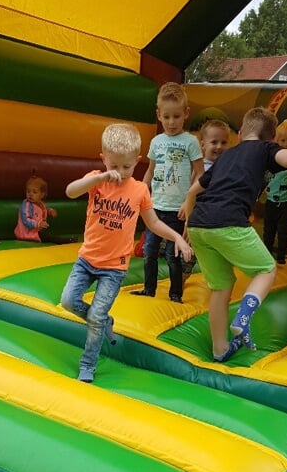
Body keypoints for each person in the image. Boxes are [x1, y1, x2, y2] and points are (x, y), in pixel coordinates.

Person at [182, 108, 287, 362]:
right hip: (228, 219)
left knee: (221, 286)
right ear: (270, 138)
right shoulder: (264, 149)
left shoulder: (225, 157)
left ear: (239, 134)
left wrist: (189, 226)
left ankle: (219, 349)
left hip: (199, 224)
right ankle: (244, 316)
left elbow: (193, 190)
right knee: (267, 269)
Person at [61, 123, 193, 382]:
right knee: (67, 300)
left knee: (96, 316)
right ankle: (102, 322)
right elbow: (70, 191)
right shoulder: (96, 181)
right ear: (103, 159)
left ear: (137, 162)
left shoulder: (139, 190)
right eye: (114, 166)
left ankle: (88, 364)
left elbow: (153, 223)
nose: (119, 173)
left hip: (114, 268)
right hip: (87, 259)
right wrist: (100, 177)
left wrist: (177, 236)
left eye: (126, 167)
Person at [131, 82, 202, 302]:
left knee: (173, 256)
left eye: (177, 116)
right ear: (159, 115)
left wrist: (188, 202)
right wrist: (141, 196)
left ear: (186, 114)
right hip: (155, 207)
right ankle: (149, 289)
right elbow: (150, 171)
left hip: (177, 210)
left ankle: (175, 294)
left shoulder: (190, 142)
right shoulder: (156, 141)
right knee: (149, 252)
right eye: (167, 117)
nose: (171, 122)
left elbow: (200, 173)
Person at [261, 119, 287, 264]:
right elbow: (264, 176)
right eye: (283, 140)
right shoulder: (273, 159)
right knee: (269, 230)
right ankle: (266, 256)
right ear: (276, 140)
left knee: (283, 230)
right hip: (272, 201)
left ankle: (280, 257)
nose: (286, 144)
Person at [13, 175, 57, 242]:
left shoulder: (41, 204)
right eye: (28, 191)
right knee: (49, 237)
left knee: (48, 235)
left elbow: (43, 210)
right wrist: (38, 224)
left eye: (34, 192)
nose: (30, 194)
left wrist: (50, 211)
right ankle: (63, 240)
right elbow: (26, 220)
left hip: (36, 232)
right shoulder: (27, 205)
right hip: (26, 234)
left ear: (42, 195)